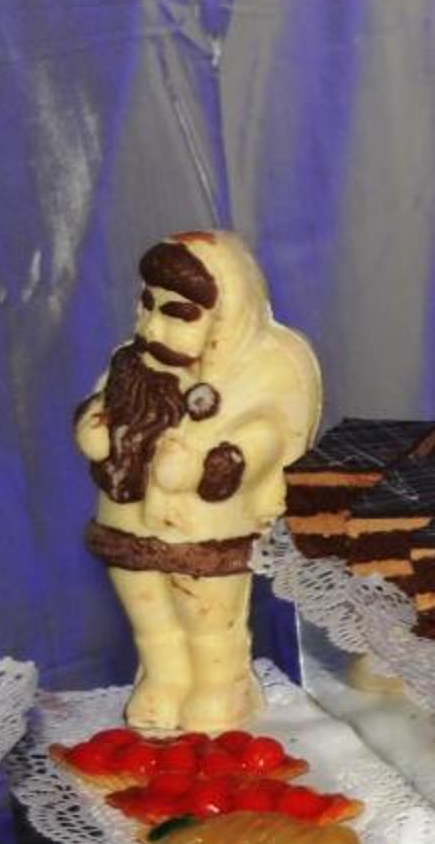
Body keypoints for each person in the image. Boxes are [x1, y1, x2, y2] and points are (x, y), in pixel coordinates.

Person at [74, 232, 321, 732]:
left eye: (176, 314)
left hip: (207, 531)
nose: (152, 326)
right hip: (125, 521)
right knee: (150, 617)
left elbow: (271, 436)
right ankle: (162, 679)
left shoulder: (266, 369)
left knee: (207, 617)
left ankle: (219, 686)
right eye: (148, 305)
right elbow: (99, 406)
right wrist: (95, 425)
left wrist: (219, 464)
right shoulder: (130, 362)